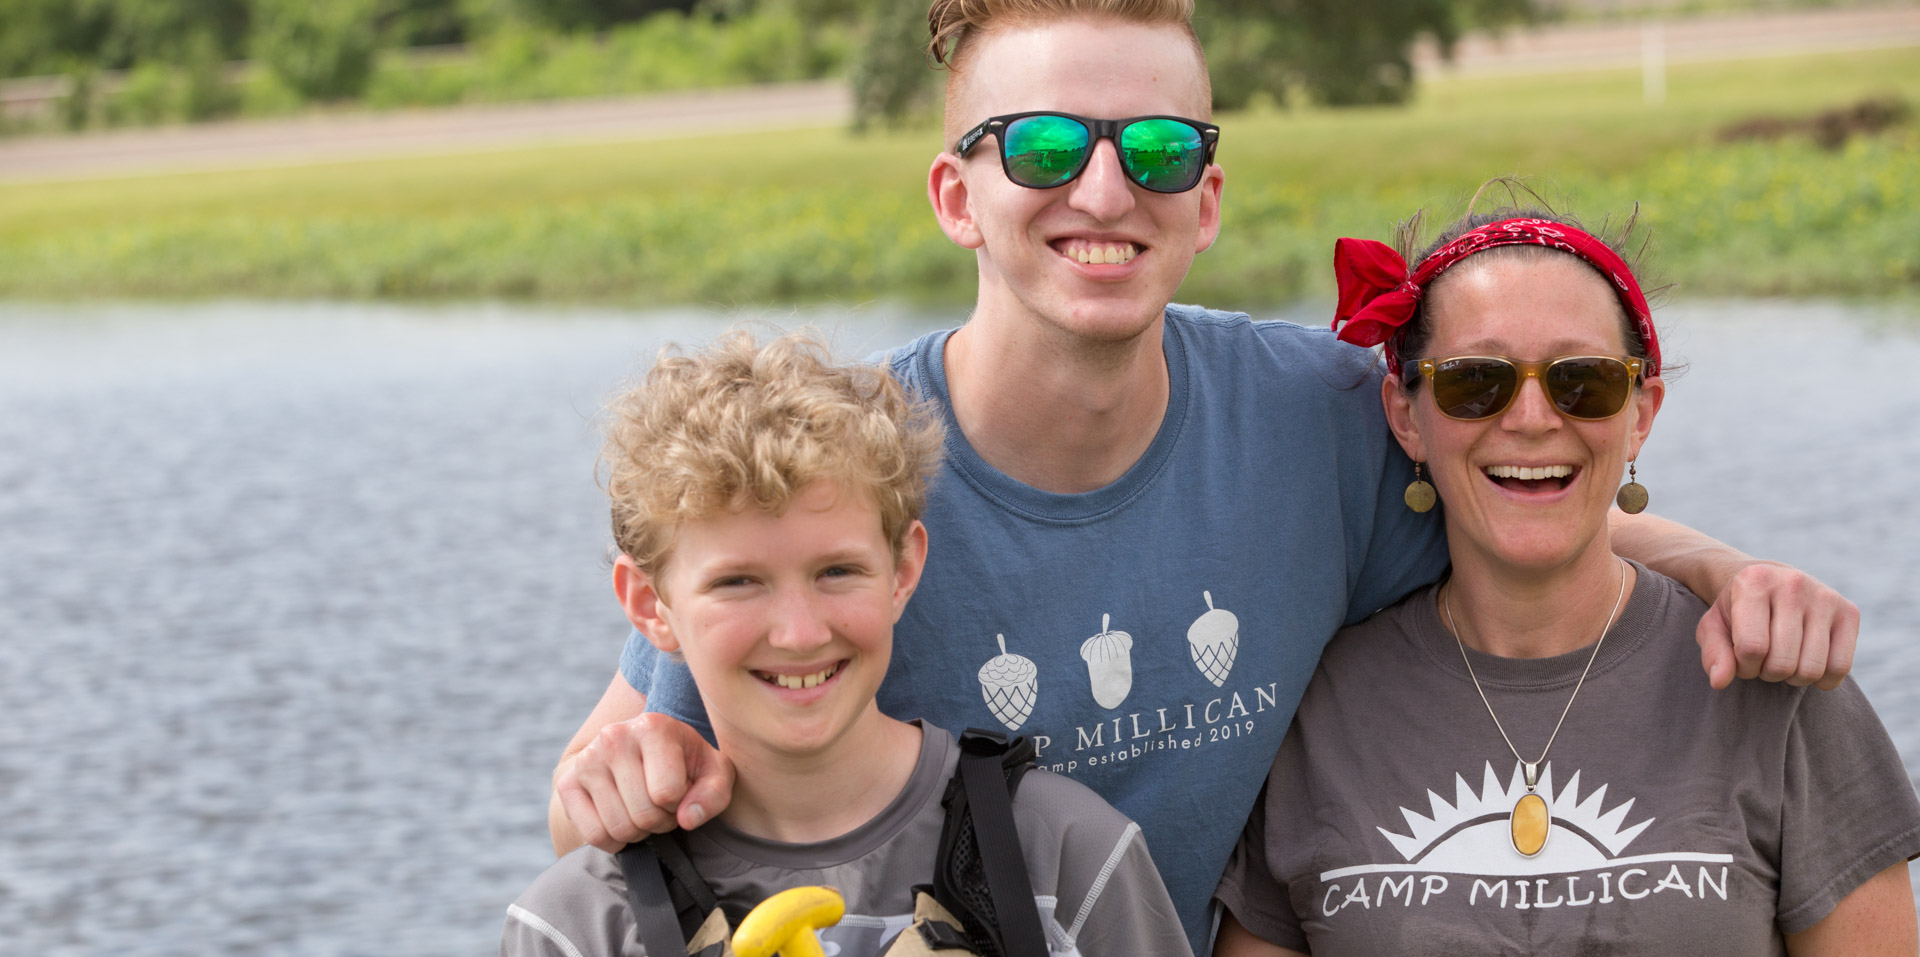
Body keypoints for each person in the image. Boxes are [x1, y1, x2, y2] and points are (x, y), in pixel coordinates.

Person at [546, 1, 1863, 950]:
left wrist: (1726, 572)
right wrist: (617, 776)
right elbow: (602, 793)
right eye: (1045, 147)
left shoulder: (1318, 416)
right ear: (956, 197)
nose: (1105, 190)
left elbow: (1524, 490)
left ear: (1208, 199)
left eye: (1159, 149)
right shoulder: (843, 465)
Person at [1213, 205, 1920, 955]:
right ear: (1406, 416)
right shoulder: (1316, 711)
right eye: (1474, 381)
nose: (1531, 417)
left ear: (1641, 414)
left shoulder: (1778, 671)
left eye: (1582, 381)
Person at [503, 330, 1189, 957]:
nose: (800, 633)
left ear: (903, 570)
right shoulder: (576, 925)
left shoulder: (1066, 858)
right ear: (649, 604)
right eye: (738, 582)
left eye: (837, 571)